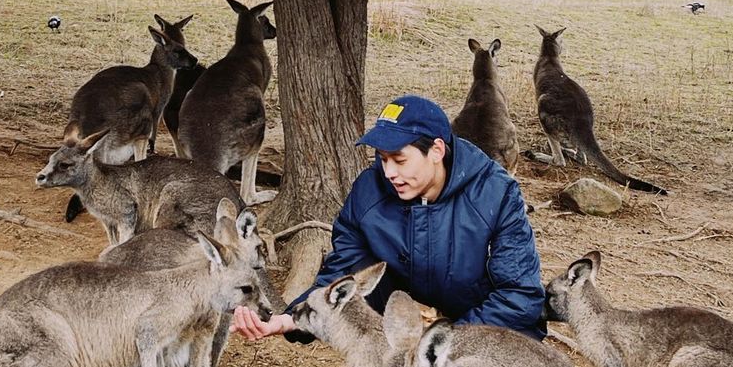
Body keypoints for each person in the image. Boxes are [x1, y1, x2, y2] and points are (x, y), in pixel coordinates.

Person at [233, 93, 546, 342]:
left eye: (400, 159)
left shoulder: (496, 194)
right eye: (383, 159)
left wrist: (445, 341)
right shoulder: (369, 193)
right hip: (407, 327)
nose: (389, 172)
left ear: (436, 151)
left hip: (480, 333)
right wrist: (289, 319)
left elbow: (520, 297)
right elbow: (344, 274)